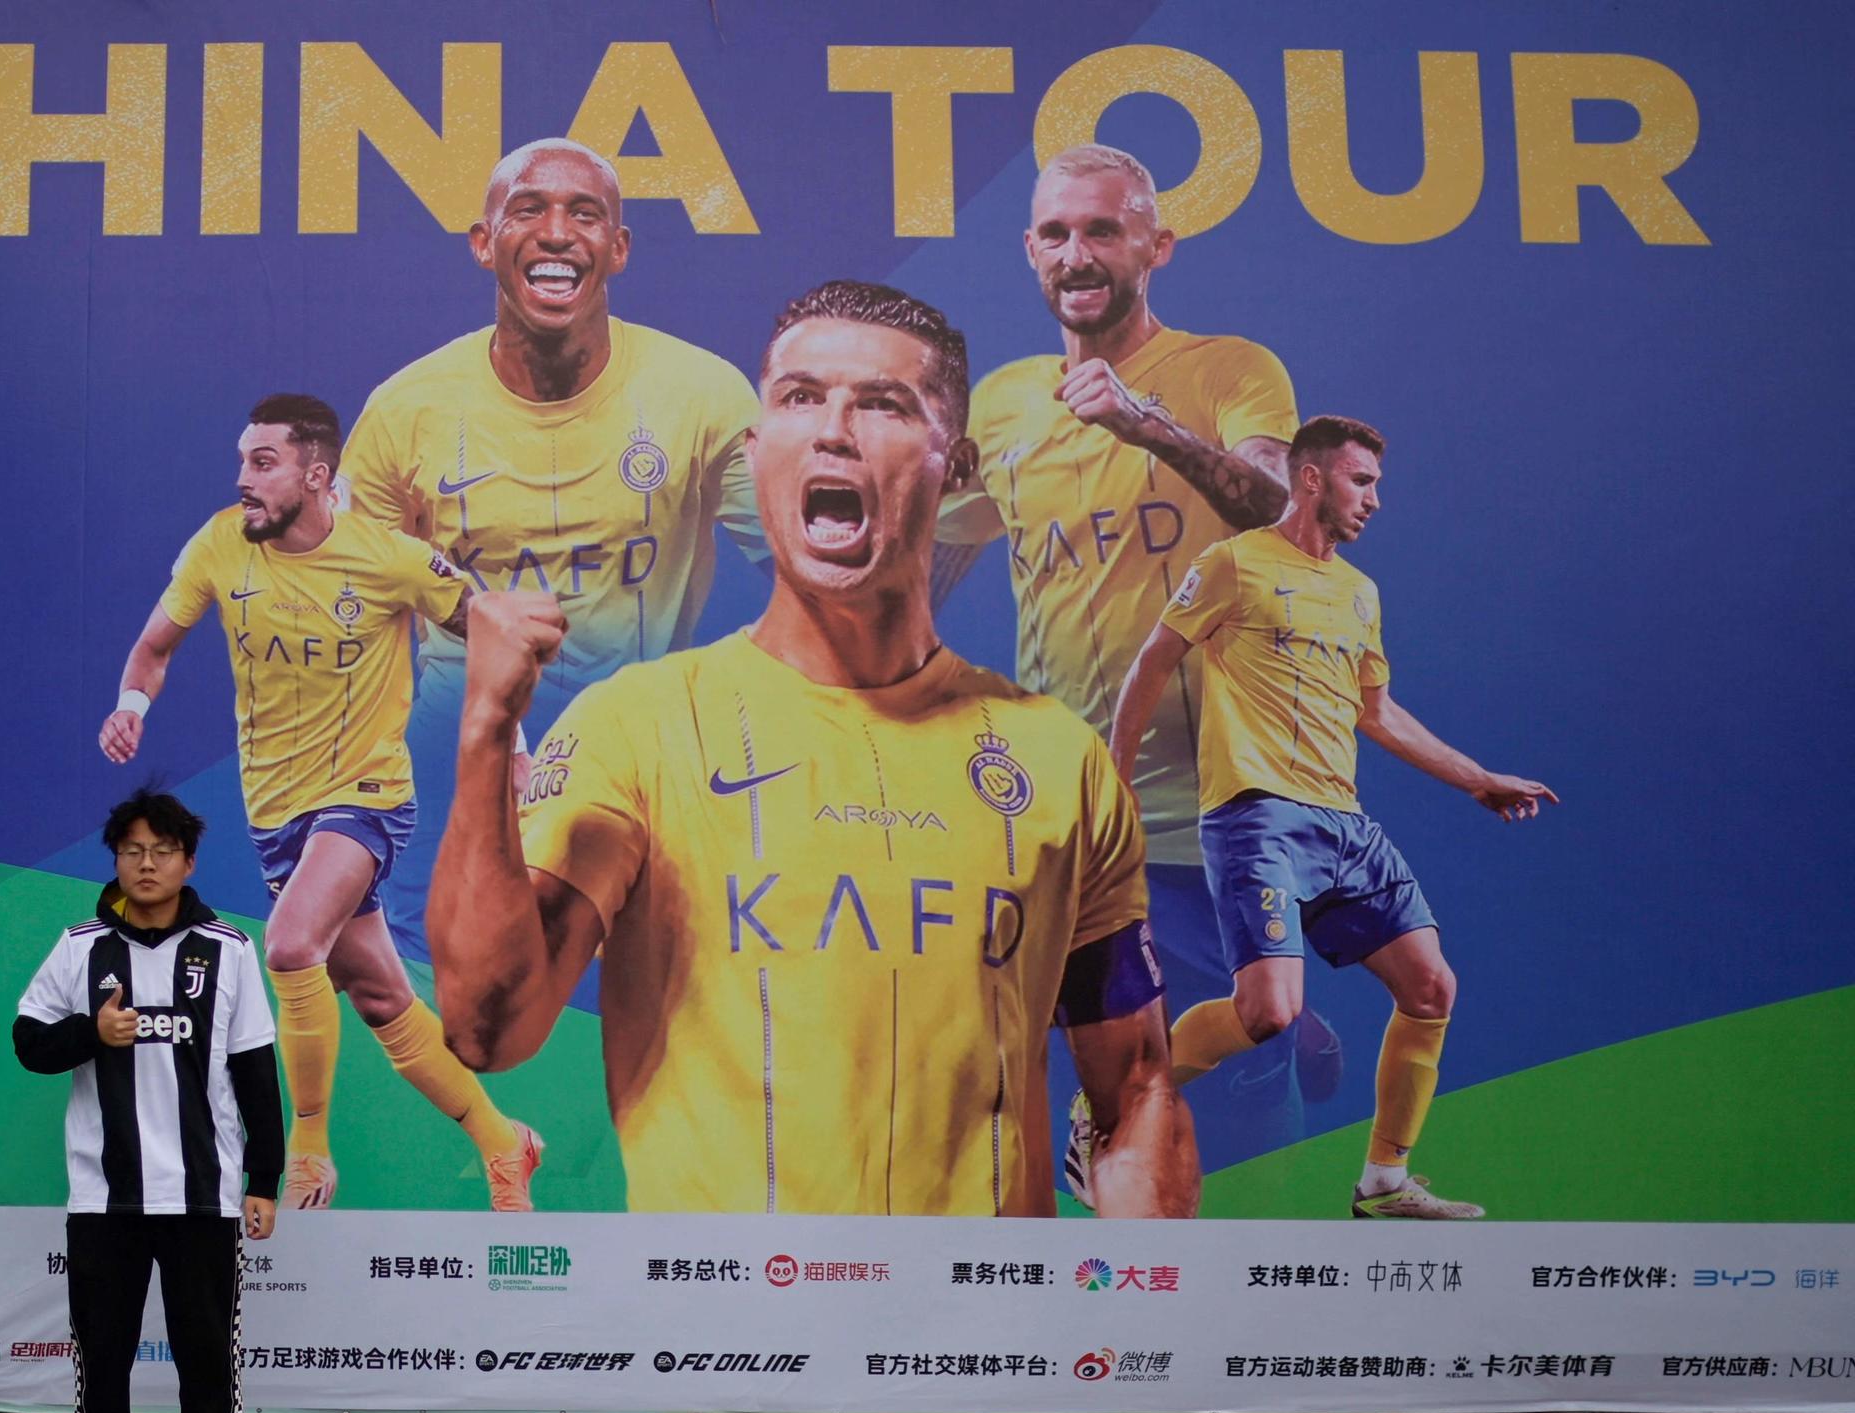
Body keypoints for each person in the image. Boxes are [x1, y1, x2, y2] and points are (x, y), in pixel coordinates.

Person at [429, 281, 1198, 1218]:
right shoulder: (636, 726)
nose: (834, 430)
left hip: (981, 1350)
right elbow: (484, 1027)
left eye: (882, 404)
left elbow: (1138, 1088)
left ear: (955, 466)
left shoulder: (1059, 760)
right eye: (799, 398)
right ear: (757, 457)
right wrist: (483, 734)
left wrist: (1137, 1318)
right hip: (724, 1348)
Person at [935, 142, 1329, 1185]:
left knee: (1248, 1126)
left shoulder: (1226, 371)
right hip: (1062, 819)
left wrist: (1144, 425)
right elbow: (929, 559)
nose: (1078, 252)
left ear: (1156, 244)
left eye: (1102, 229)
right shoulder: (1007, 403)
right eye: (1056, 233)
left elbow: (1273, 501)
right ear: (1029, 252)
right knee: (1087, 1121)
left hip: (1211, 808)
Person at [100, 395, 542, 1213]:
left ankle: (305, 1152)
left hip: (366, 797)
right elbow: (155, 647)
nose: (243, 481)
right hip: (276, 812)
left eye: (262, 463)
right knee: (380, 1000)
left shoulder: (387, 558)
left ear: (316, 474)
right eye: (241, 461)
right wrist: (133, 702)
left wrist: (512, 747)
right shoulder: (220, 545)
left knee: (293, 944)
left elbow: (492, 632)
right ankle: (500, 1139)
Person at [1107, 417, 1559, 1218]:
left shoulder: (1359, 593)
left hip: (1343, 825)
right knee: (1269, 1014)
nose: (1375, 501)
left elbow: (1377, 713)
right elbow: (1153, 661)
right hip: (1257, 818)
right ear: (1310, 479)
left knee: (1430, 987)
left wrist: (1476, 778)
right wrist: (1115, 777)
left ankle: (1384, 1183)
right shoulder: (1233, 563)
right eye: (1362, 482)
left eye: (1377, 485)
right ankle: (1109, 1105)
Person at [341, 137, 767, 964]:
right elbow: (358, 615)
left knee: (633, 1017)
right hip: (456, 761)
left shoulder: (703, 394)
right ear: (483, 241)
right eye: (528, 209)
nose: (556, 232)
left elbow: (808, 577)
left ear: (618, 247)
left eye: (585, 213)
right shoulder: (406, 411)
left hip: (638, 768)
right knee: (442, 1009)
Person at [13, 788, 284, 1413]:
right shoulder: (79, 948)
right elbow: (29, 1043)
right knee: (102, 1358)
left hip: (203, 1198)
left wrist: (261, 1179)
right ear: (116, 861)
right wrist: (91, 1033)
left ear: (188, 861)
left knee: (207, 1359)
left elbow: (257, 1075)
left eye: (161, 850)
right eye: (132, 850)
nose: (146, 863)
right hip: (104, 1199)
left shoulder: (228, 950)